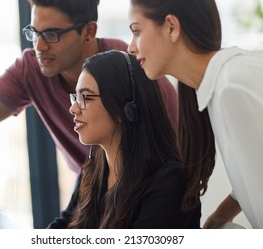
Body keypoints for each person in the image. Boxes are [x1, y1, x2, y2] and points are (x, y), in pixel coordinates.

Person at [127, 0, 263, 228]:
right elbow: (257, 178)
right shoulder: (223, 84)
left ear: (172, 27)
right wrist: (218, 219)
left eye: (137, 31)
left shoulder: (232, 89)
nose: (131, 47)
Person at [0, 0, 178, 174]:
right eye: (34, 33)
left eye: (52, 34)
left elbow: (180, 140)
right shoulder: (31, 68)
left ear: (89, 32)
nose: (39, 46)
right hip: (90, 193)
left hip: (147, 191)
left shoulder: (130, 66)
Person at [47, 50, 201, 228]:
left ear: (123, 108)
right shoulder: (94, 167)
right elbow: (64, 225)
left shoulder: (170, 181)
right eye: (75, 97)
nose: (73, 109)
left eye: (85, 98)